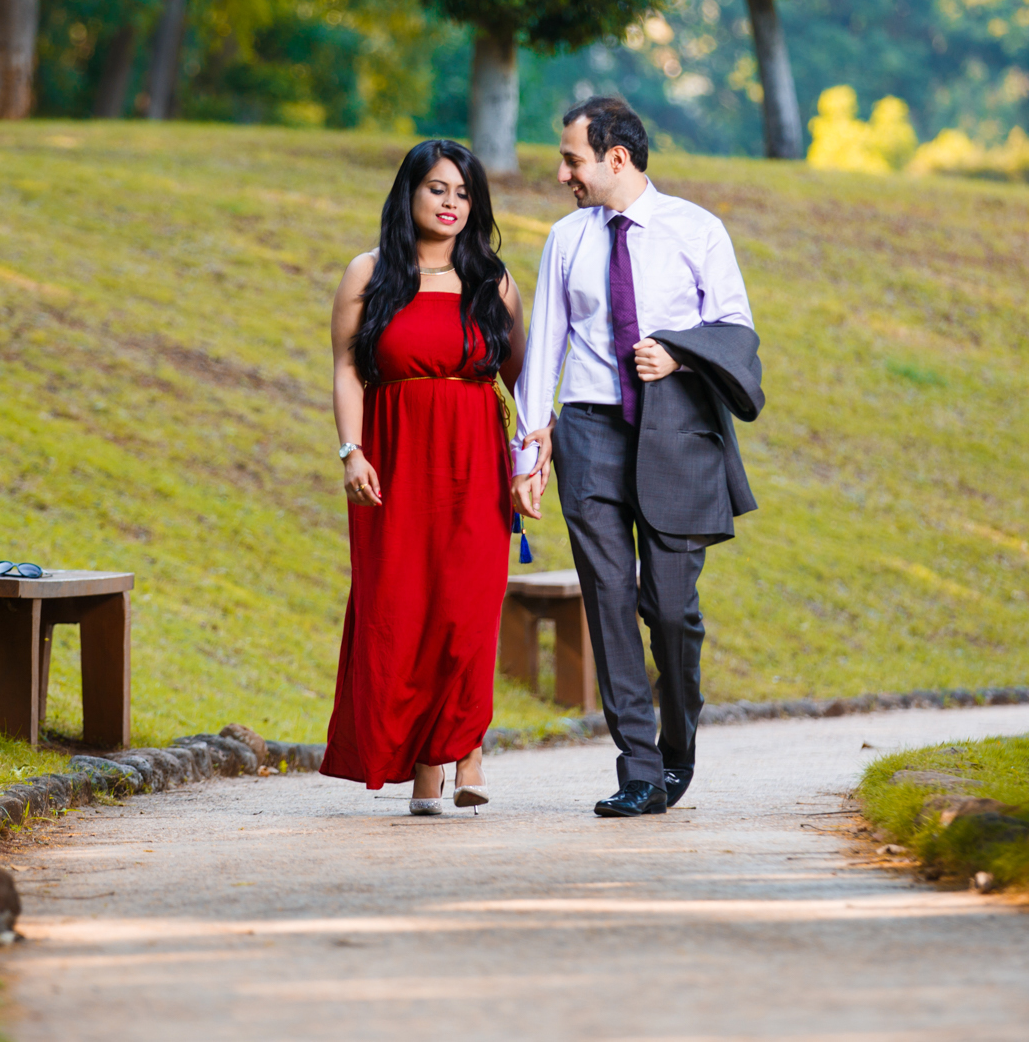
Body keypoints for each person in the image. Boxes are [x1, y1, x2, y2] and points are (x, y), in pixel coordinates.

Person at [512, 96, 764, 818]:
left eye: (572, 160)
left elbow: (738, 332)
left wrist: (678, 352)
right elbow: (546, 349)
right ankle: (640, 770)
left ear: (615, 157)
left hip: (677, 430)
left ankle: (678, 739)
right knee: (611, 602)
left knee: (671, 608)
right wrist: (528, 450)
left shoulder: (697, 229)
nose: (563, 174)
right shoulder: (566, 238)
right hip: (589, 433)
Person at [321, 139, 528, 816]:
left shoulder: (493, 281)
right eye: (438, 188)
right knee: (402, 608)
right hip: (393, 456)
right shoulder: (369, 273)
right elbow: (349, 368)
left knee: (466, 609)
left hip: (474, 458)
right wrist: (351, 450)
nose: (451, 203)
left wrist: (533, 458)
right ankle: (424, 764)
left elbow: (520, 379)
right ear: (409, 193)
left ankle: (464, 751)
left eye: (463, 193)